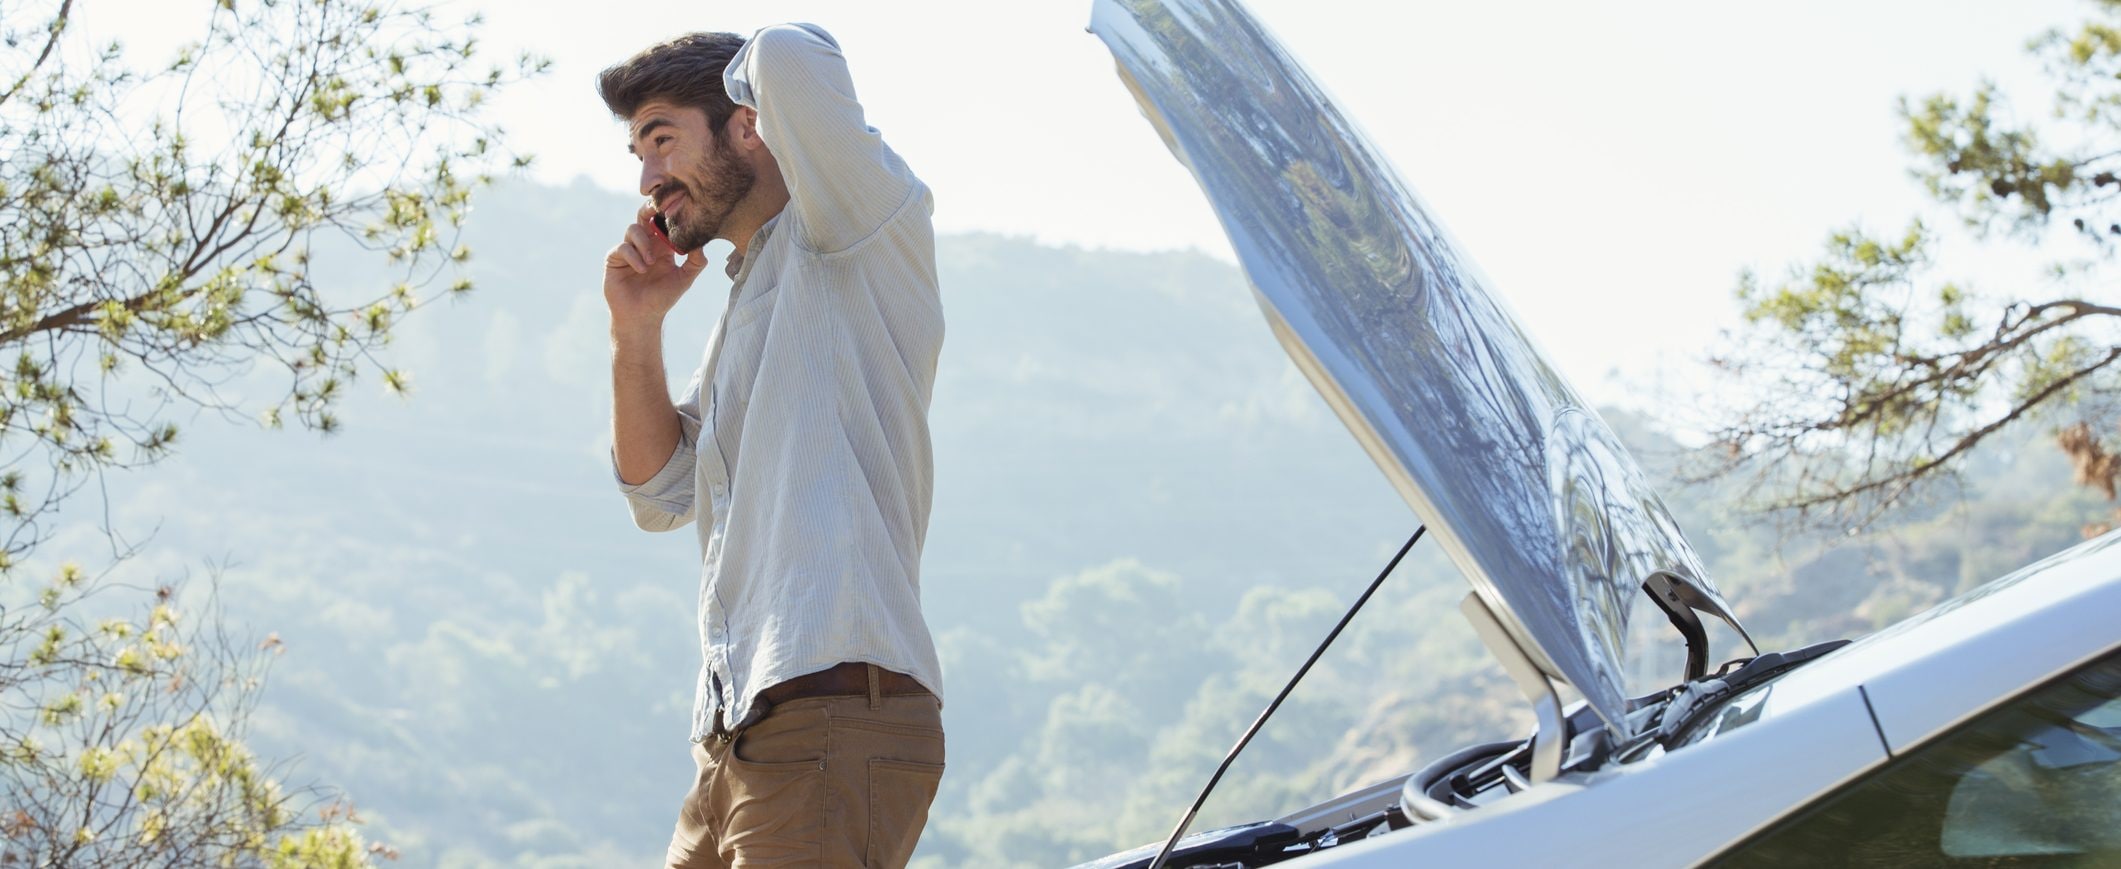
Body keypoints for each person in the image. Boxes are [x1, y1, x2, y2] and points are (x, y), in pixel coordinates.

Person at [596, 24, 946, 868]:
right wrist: (635, 332)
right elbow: (659, 495)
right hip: (734, 739)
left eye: (660, 139)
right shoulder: (749, 296)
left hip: (829, 717)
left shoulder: (853, 225)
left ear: (748, 126)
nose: (647, 179)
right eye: (637, 153)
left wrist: (745, 82)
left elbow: (790, 55)